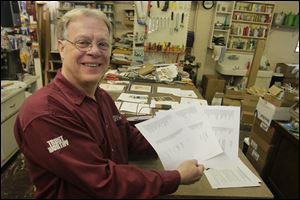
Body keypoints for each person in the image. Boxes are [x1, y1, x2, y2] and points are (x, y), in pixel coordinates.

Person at [14, 8, 205, 199]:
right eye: (83, 43)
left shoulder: (101, 96)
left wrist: (180, 131)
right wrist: (176, 177)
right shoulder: (46, 114)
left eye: (103, 44)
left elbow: (127, 138)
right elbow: (103, 181)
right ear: (62, 48)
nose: (95, 51)